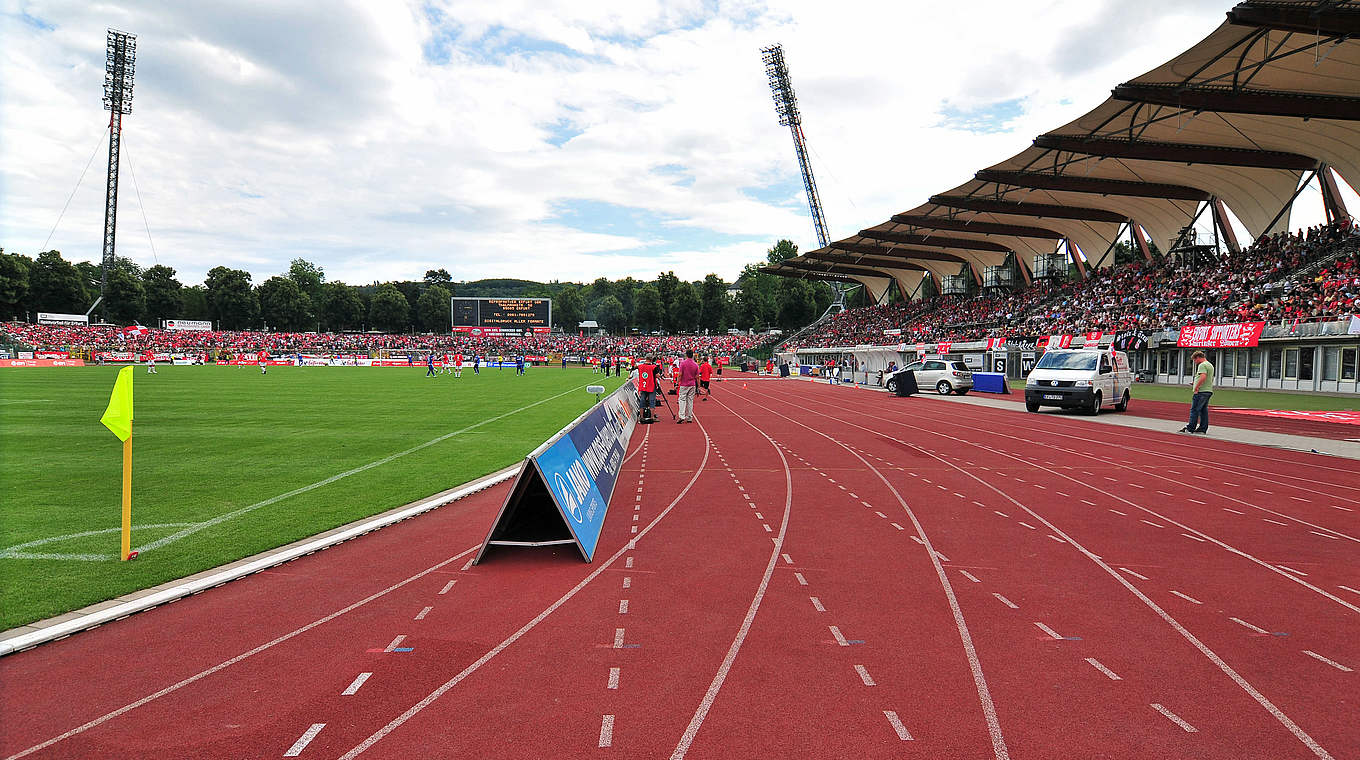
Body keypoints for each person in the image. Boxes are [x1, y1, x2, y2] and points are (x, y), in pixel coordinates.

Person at [1180, 350, 1214, 434]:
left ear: (1198, 357)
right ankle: (1202, 429)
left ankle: (1190, 428)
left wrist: (1196, 387)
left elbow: (1203, 376)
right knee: (1203, 411)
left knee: (1195, 410)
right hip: (1208, 390)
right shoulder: (1210, 365)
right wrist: (1195, 382)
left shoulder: (1202, 365)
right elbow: (1208, 378)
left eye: (1195, 360)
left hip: (1201, 391)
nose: (1195, 362)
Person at [676, 349, 700, 423]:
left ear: (686, 355)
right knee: (690, 401)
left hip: (684, 384)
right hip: (692, 384)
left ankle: (682, 416)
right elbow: (697, 377)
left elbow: (680, 375)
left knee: (682, 400)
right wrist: (698, 387)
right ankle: (689, 417)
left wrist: (677, 383)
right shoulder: (696, 364)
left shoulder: (683, 363)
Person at [636, 355, 659, 423]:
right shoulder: (653, 367)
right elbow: (658, 375)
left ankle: (642, 417)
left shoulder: (640, 366)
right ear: (651, 359)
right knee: (652, 401)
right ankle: (651, 417)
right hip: (651, 386)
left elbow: (634, 367)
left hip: (643, 386)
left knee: (642, 401)